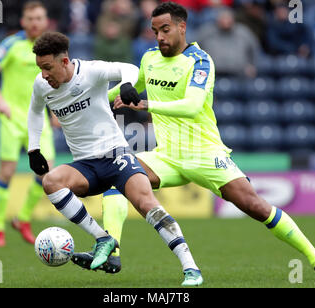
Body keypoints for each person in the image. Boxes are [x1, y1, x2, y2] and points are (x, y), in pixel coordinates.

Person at [74, 1, 315, 281]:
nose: (160, 37)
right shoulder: (150, 57)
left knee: (256, 207)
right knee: (120, 175)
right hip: (166, 156)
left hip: (205, 154)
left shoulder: (200, 61)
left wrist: (145, 104)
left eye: (165, 30)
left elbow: (191, 105)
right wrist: (86, 101)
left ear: (181, 27)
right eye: (155, 31)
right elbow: (129, 86)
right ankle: (112, 252)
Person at [28, 31, 203, 286]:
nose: (44, 74)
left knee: (147, 204)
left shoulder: (91, 72)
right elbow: (34, 112)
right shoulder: (41, 84)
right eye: (40, 68)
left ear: (64, 61)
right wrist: (34, 149)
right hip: (85, 165)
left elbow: (128, 69)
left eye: (47, 67)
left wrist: (127, 85)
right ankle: (103, 238)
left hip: (115, 155)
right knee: (51, 181)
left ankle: (191, 268)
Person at [0, 1, 56, 247]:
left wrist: (56, 112)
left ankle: (22, 219)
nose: (35, 23)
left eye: (39, 18)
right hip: (11, 119)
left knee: (47, 172)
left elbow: (56, 82)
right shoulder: (11, 44)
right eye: (30, 18)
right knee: (7, 172)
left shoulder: (51, 49)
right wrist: (0, 101)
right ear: (23, 21)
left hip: (38, 120)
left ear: (46, 22)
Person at [196, 7, 260, 77]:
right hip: (212, 74)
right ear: (217, 19)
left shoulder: (243, 32)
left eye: (228, 17)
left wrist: (252, 65)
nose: (226, 21)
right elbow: (193, 49)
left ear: (233, 19)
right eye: (223, 17)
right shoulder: (206, 31)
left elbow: (255, 50)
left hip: (239, 74)